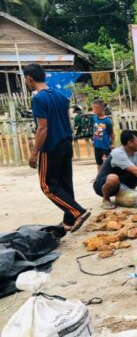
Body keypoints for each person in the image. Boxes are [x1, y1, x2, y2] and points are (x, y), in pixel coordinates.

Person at [24, 63, 90, 233]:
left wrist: (34, 153)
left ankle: (77, 212)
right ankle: (69, 222)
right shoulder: (61, 95)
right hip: (66, 143)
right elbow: (68, 121)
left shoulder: (39, 98)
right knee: (65, 183)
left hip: (51, 146)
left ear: (29, 79)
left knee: (48, 185)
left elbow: (42, 128)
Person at [93, 130, 137, 209]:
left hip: (121, 182)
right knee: (113, 178)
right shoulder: (118, 153)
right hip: (102, 186)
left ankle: (124, 193)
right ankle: (106, 199)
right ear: (130, 143)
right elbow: (136, 171)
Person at [91, 99, 114, 172]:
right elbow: (94, 130)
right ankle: (98, 177)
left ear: (101, 109)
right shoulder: (94, 118)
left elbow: (111, 133)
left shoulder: (107, 121)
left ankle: (109, 175)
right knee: (98, 163)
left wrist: (112, 143)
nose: (93, 111)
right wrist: (93, 140)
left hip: (106, 146)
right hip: (97, 146)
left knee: (108, 163)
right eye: (93, 109)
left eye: (95, 109)